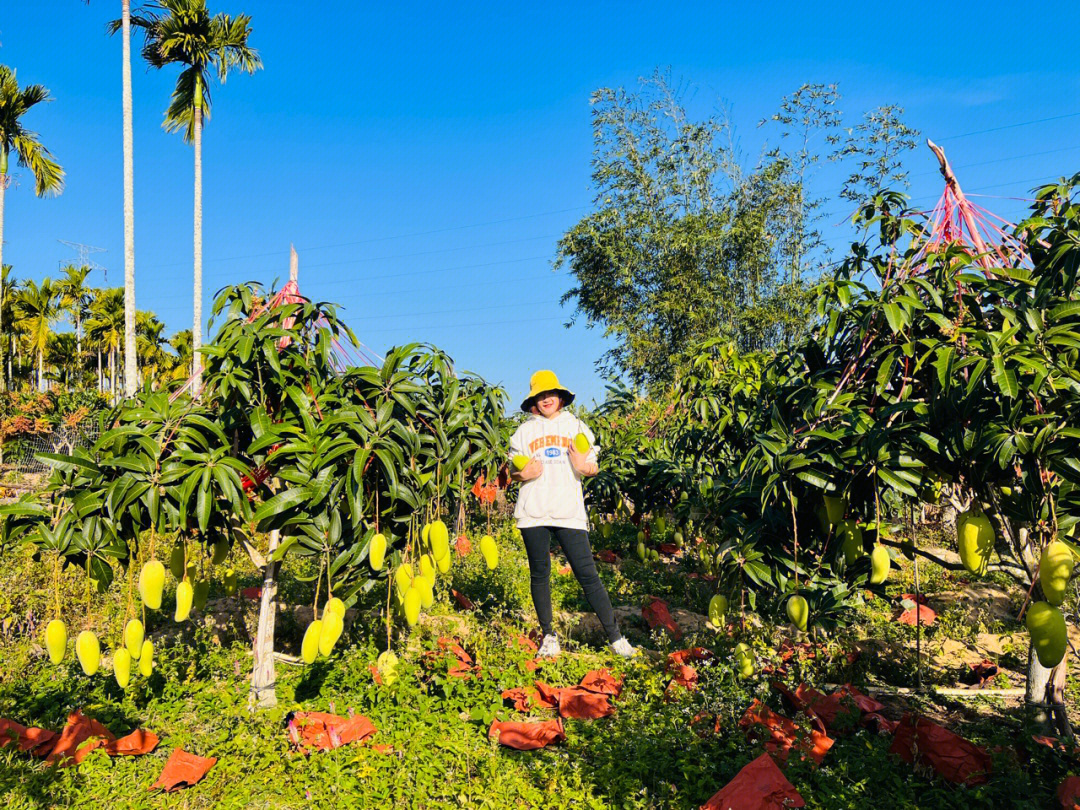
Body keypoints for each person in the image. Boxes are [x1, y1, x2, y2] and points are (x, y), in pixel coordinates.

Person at [507, 370, 636, 658]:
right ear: (533, 401)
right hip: (534, 512)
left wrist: (585, 466)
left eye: (550, 394)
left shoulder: (576, 426)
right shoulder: (524, 432)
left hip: (568, 511)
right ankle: (549, 636)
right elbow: (512, 471)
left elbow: (592, 465)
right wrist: (521, 474)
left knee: (587, 574)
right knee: (540, 574)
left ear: (561, 397)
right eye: (540, 396)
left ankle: (616, 639)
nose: (546, 399)